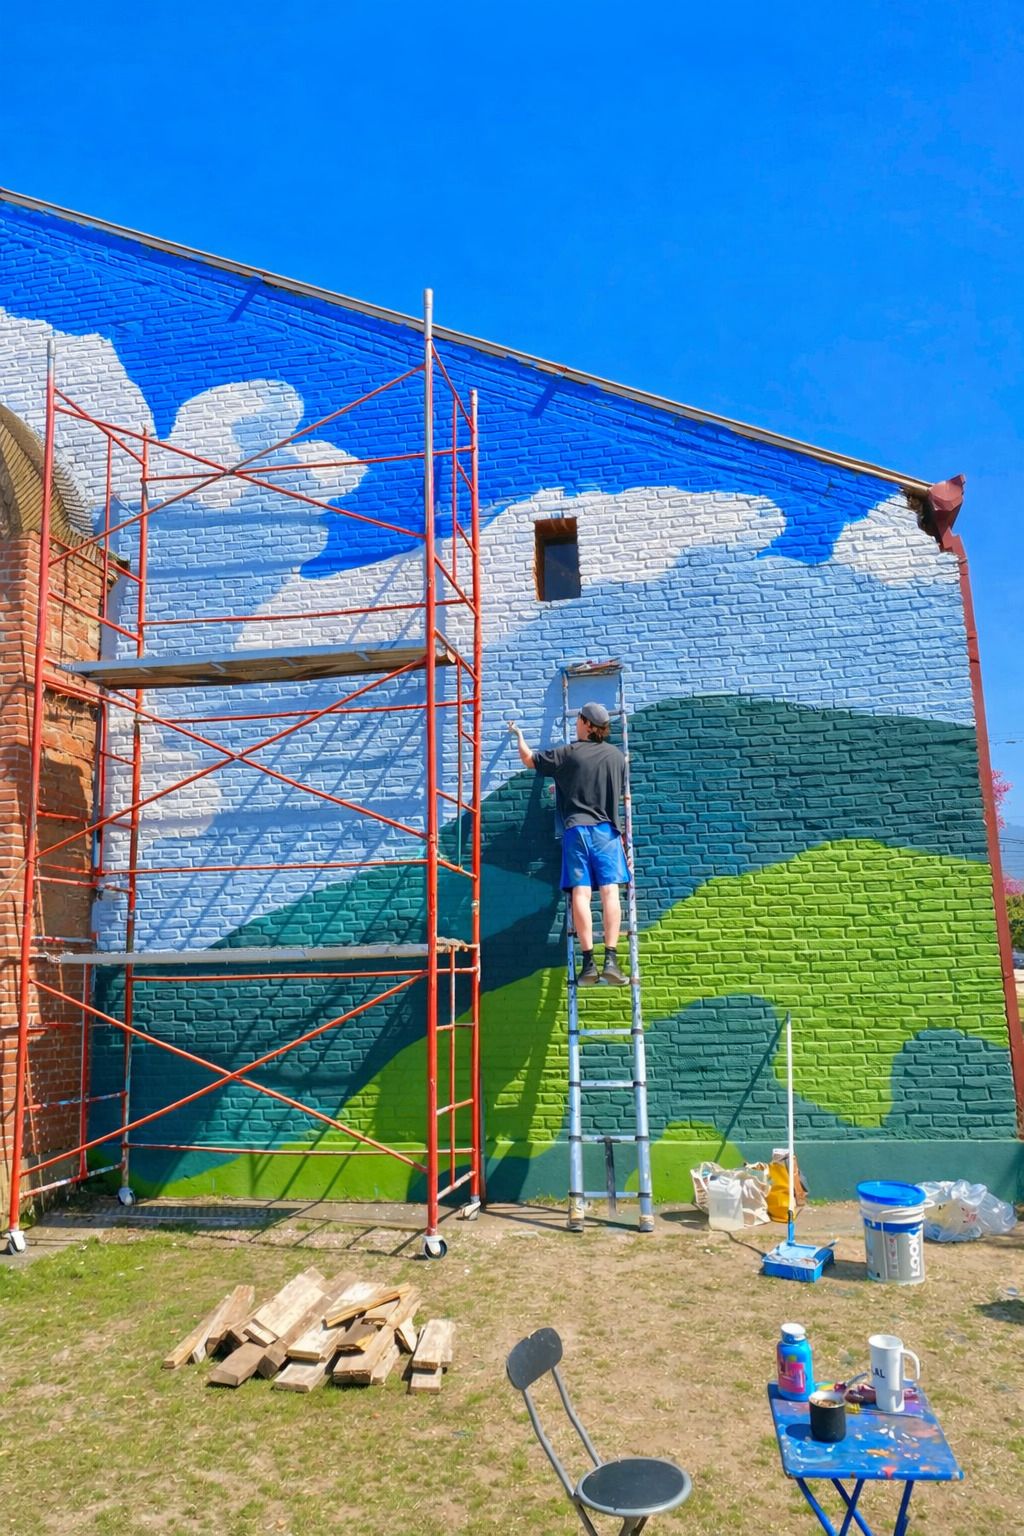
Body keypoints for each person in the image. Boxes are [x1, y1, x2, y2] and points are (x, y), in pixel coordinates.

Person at [508, 702, 630, 985]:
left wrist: (519, 736)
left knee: (581, 894)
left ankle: (588, 965)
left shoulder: (568, 754)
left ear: (587, 724)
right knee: (611, 892)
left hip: (577, 832)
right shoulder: (617, 758)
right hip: (607, 833)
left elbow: (529, 760)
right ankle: (610, 960)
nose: (576, 722)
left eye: (579, 718)